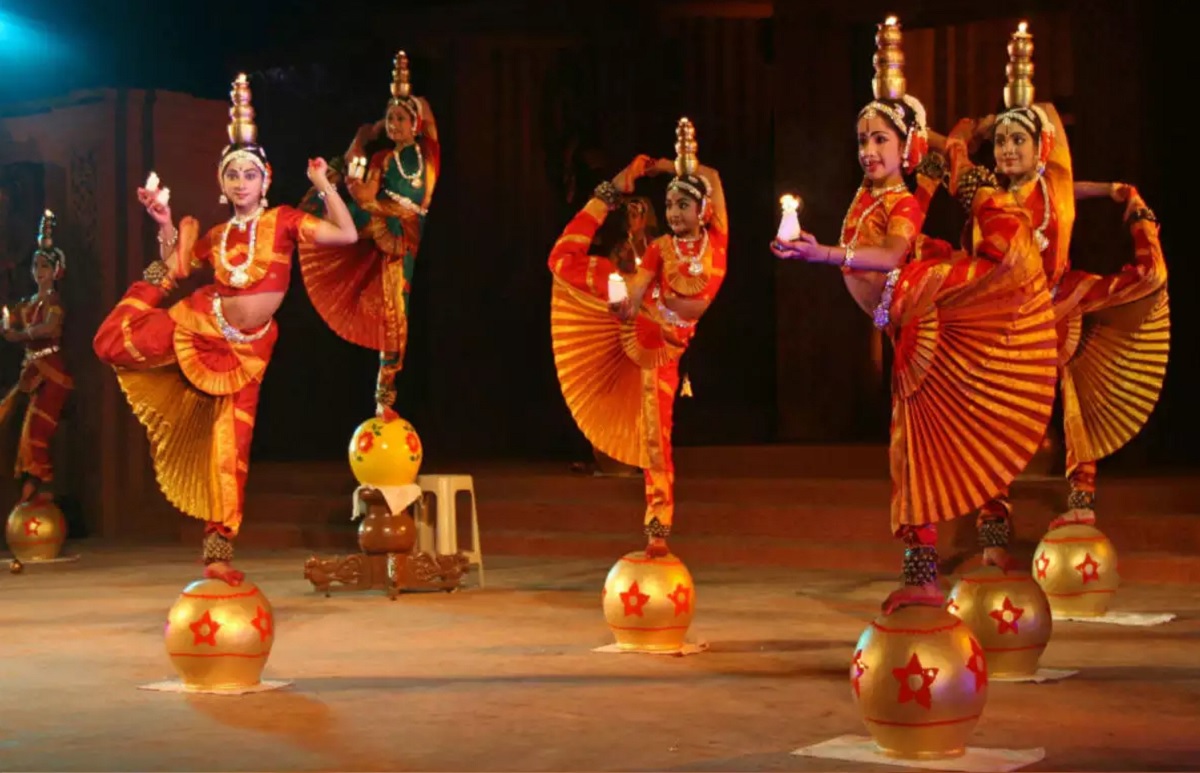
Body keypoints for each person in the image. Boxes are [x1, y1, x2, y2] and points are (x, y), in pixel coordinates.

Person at [771, 17, 1058, 611]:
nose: (869, 151)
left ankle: (940, 571)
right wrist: (878, 316)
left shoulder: (898, 199)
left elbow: (896, 253)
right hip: (908, 327)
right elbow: (874, 275)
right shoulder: (876, 195)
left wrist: (823, 252)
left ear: (905, 146)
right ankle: (927, 574)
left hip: (929, 315)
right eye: (862, 141)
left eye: (881, 140)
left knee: (918, 451)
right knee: (914, 453)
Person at [92, 73, 357, 585]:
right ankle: (140, 297)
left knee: (230, 449)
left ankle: (218, 551)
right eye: (232, 175)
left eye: (248, 175)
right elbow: (176, 259)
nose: (240, 183)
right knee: (109, 342)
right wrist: (164, 219)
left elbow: (346, 234)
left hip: (247, 353)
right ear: (222, 183)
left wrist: (324, 185)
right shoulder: (215, 236)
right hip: (199, 323)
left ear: (266, 179)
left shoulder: (284, 221)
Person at [945, 22, 1168, 567]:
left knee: (1081, 384)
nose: (1007, 148)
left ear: (1039, 147)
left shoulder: (1053, 181)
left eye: (1018, 140)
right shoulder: (986, 193)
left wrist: (1123, 195)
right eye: (1001, 142)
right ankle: (993, 527)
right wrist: (966, 132)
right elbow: (951, 158)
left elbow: (1064, 165)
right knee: (988, 418)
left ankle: (1082, 499)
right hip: (1002, 314)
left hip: (1056, 297)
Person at [549, 118, 727, 557]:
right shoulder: (659, 248)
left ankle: (658, 526)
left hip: (672, 341)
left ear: (702, 211)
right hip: (650, 336)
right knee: (655, 437)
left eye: (682, 205)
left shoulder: (718, 237)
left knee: (658, 436)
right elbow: (635, 292)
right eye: (668, 206)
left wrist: (669, 167)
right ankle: (657, 530)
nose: (673, 213)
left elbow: (714, 177)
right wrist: (623, 304)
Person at [298, 51, 441, 419]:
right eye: (389, 118)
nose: (394, 124)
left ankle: (386, 393)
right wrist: (362, 143)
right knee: (322, 209)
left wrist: (402, 87)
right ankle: (383, 401)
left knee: (398, 315)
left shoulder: (430, 154)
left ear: (415, 124)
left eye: (400, 118)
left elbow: (409, 206)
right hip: (381, 224)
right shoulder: (380, 160)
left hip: (404, 233)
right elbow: (367, 191)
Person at [0, 210, 73, 504]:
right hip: (32, 374)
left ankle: (43, 496)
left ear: (57, 271)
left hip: (52, 375)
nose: (39, 271)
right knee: (25, 436)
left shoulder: (53, 302)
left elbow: (50, 327)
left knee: (37, 435)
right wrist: (7, 325)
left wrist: (20, 336)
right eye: (36, 265)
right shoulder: (28, 303)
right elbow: (11, 320)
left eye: (45, 265)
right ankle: (32, 498)